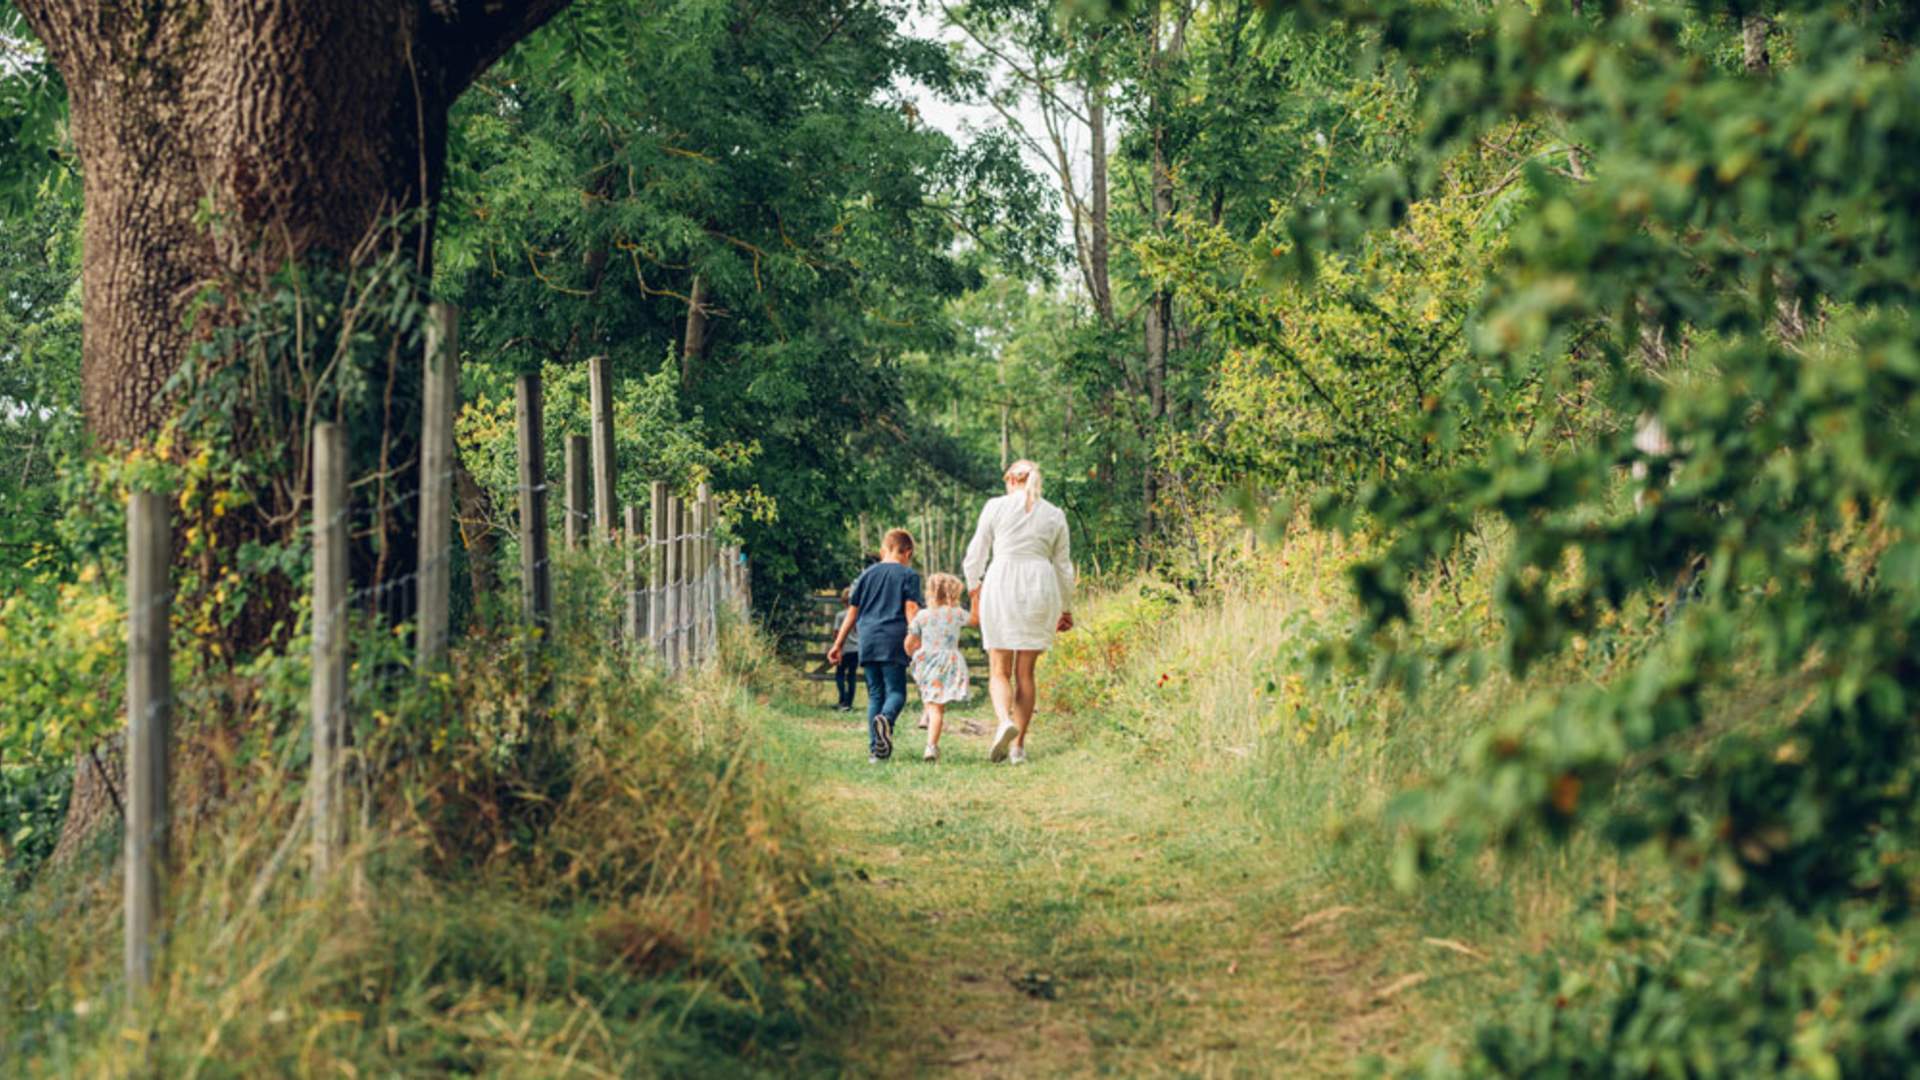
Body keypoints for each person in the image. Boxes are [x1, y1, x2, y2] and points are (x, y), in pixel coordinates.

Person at [963, 460, 1074, 765]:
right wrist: (1066, 608)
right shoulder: (1054, 514)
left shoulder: (995, 507)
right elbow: (1063, 567)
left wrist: (974, 588)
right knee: (1026, 673)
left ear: (1011, 479)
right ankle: (1018, 748)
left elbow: (975, 555)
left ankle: (1003, 721)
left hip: (1002, 583)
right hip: (1039, 587)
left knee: (999, 669)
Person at [828, 530, 923, 763]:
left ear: (884, 550)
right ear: (907, 552)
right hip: (894, 638)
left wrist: (838, 644)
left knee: (875, 694)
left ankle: (876, 752)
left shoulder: (866, 575)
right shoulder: (908, 574)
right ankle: (886, 719)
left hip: (867, 639)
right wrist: (915, 635)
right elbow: (911, 608)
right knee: (896, 691)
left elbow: (852, 613)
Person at [905, 573, 971, 763]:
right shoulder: (957, 613)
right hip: (948, 660)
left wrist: (911, 653)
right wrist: (976, 597)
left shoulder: (922, 615)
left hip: (927, 660)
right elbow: (975, 620)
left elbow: (909, 642)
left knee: (931, 698)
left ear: (930, 592)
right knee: (937, 706)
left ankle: (928, 724)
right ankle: (931, 746)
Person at [833, 554, 879, 713]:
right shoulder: (860, 615)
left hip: (845, 649)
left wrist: (837, 646)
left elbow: (837, 632)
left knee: (840, 675)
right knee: (852, 676)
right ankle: (849, 703)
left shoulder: (840, 615)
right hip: (857, 649)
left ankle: (842, 700)